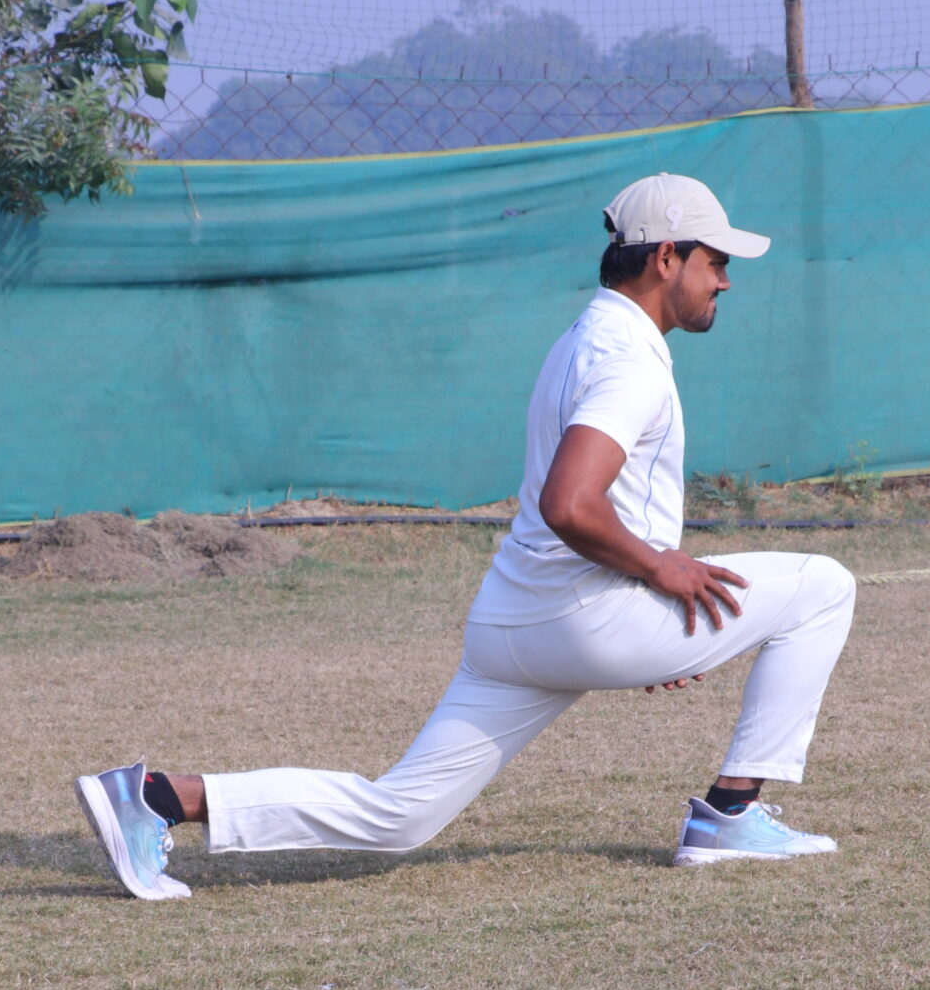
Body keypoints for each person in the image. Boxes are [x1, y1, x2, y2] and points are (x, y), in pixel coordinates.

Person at [74, 172, 857, 898]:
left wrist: (654, 624)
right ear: (665, 258)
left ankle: (155, 798)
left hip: (516, 621)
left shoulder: (584, 337)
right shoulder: (630, 361)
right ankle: (728, 816)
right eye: (715, 261)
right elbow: (568, 504)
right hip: (583, 617)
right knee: (823, 587)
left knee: (398, 816)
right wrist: (658, 574)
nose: (724, 280)